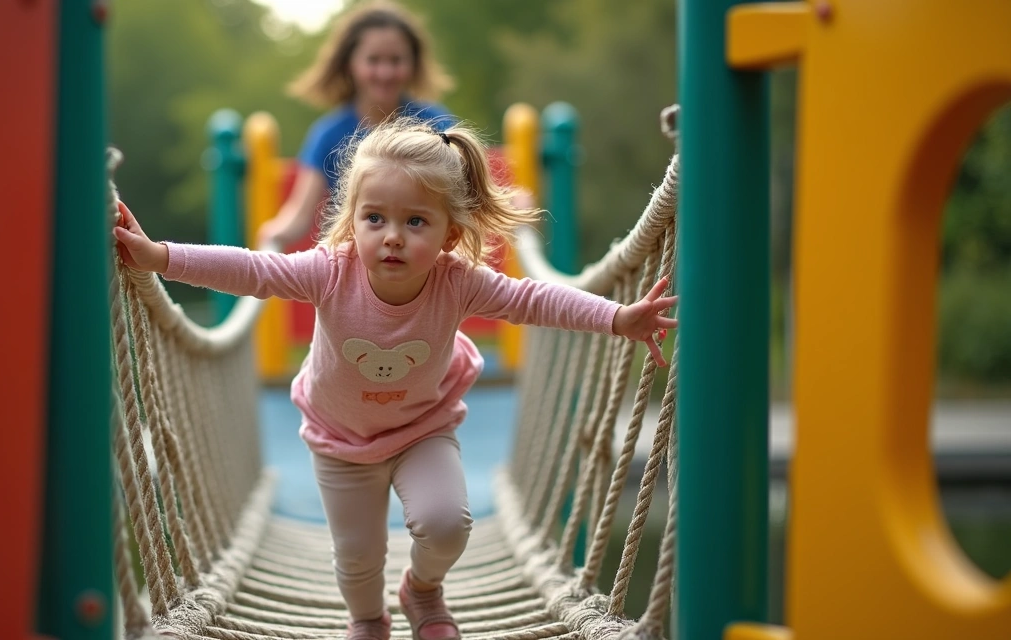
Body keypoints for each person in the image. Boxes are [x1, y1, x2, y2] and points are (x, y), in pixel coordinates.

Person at [113, 118, 678, 640]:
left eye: (415, 222)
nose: (392, 236)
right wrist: (158, 255)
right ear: (352, 219)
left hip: (421, 428)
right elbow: (252, 269)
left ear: (449, 237)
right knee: (357, 558)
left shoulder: (458, 282)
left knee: (447, 526)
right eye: (374, 218)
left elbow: (532, 298)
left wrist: (616, 317)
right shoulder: (329, 272)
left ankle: (422, 591)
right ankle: (368, 620)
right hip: (339, 440)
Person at [256, 0, 456, 249]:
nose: (385, 73)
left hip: (423, 267)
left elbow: (470, 190)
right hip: (358, 269)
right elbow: (300, 214)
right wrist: (275, 234)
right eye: (373, 60)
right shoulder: (329, 134)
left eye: (396, 61)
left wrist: (513, 201)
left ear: (413, 64)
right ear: (350, 64)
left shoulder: (434, 122)